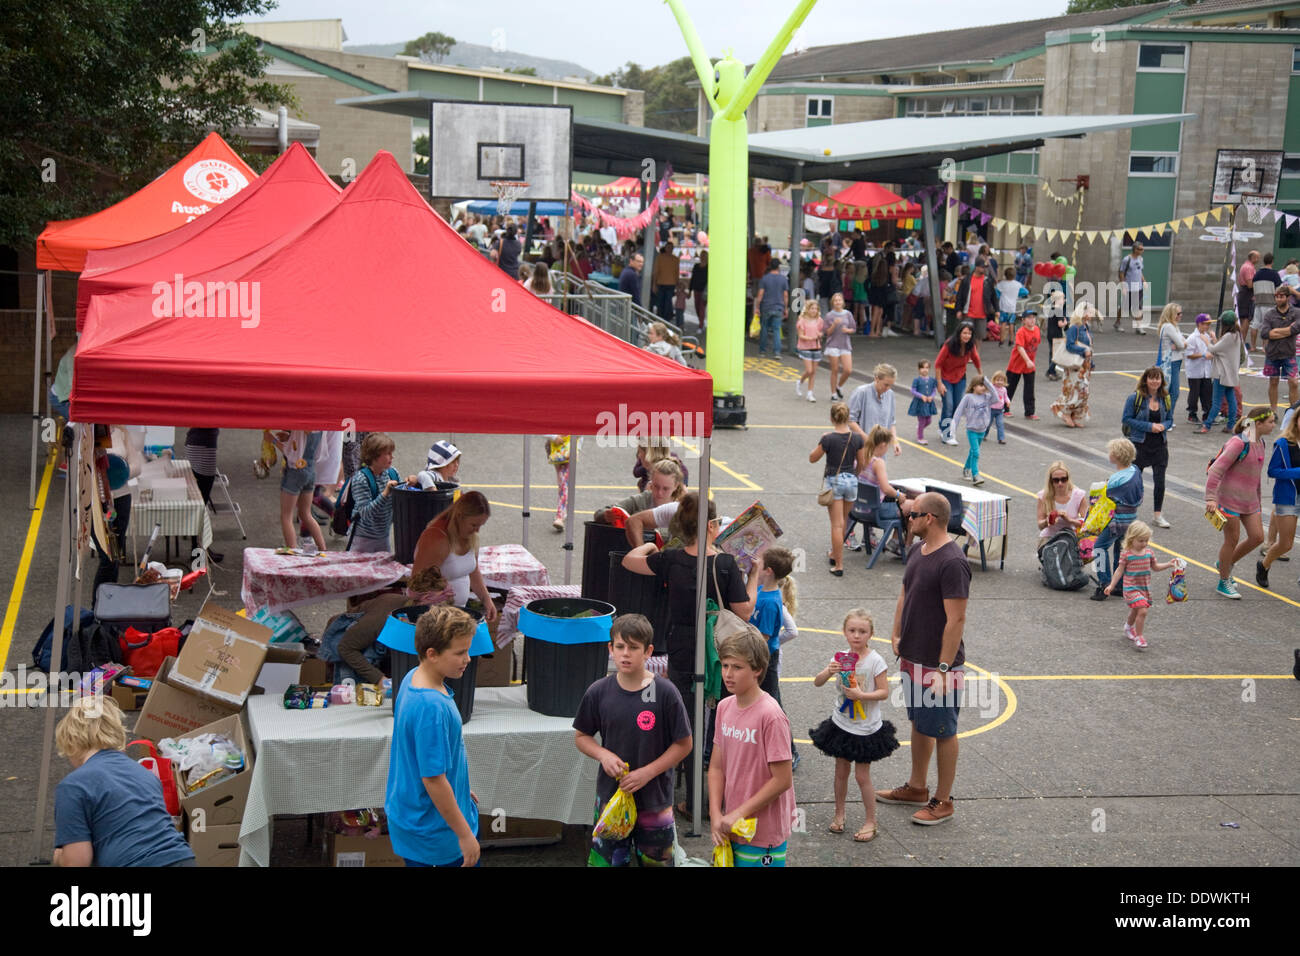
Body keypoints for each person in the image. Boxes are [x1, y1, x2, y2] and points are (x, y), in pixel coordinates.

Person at [622, 492, 753, 813]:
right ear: (711, 526)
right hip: (721, 651)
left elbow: (628, 560)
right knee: (723, 721)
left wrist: (652, 545)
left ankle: (693, 799)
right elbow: (745, 612)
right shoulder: (724, 563)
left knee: (688, 723)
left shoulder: (671, 559)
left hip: (681, 645)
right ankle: (721, 797)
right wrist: (755, 576)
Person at [877, 491, 970, 826]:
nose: (908, 518)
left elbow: (956, 619)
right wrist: (897, 631)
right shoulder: (918, 548)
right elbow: (906, 591)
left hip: (938, 665)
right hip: (913, 656)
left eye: (913, 514)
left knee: (944, 730)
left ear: (929, 518)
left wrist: (944, 668)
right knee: (919, 722)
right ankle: (917, 787)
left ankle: (943, 800)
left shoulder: (953, 562)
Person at [573, 613, 692, 867]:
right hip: (611, 799)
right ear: (610, 649)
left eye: (634, 647)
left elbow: (684, 744)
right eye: (620, 647)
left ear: (648, 651)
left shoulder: (665, 693)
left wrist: (647, 773)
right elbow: (582, 736)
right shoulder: (598, 692)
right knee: (608, 862)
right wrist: (603, 754)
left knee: (656, 862)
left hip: (654, 801)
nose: (626, 653)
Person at [385, 605, 480, 867]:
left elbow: (427, 760)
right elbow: (434, 780)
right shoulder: (431, 707)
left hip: (420, 821)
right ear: (432, 654)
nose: (468, 658)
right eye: (460, 652)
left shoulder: (412, 677)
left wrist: (458, 785)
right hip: (437, 836)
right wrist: (464, 835)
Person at [53, 696, 195, 867]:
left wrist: (60, 857)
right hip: (182, 858)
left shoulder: (74, 786)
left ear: (70, 741)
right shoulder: (144, 774)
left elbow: (77, 861)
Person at [809, 608, 898, 842]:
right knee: (841, 771)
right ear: (844, 632)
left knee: (862, 776)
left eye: (862, 631)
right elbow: (817, 682)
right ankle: (839, 814)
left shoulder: (875, 660)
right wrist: (829, 671)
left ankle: (871, 820)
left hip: (866, 727)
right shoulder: (839, 657)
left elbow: (884, 692)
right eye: (852, 631)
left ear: (871, 634)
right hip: (842, 724)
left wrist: (861, 695)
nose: (857, 635)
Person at [709, 628, 796, 867]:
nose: (728, 674)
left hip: (762, 831)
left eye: (737, 667)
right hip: (730, 825)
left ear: (757, 669)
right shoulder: (725, 707)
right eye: (725, 665)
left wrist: (739, 813)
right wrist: (716, 814)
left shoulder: (771, 716)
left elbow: (782, 779)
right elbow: (716, 767)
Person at [1206, 406, 1276, 599]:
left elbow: (1255, 478)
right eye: (1270, 422)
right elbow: (1215, 471)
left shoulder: (1260, 442)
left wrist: (1258, 501)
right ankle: (1224, 581)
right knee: (1232, 539)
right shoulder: (1238, 443)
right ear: (1258, 424)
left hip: (1250, 501)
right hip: (1228, 500)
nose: (1274, 425)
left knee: (1257, 537)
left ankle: (1224, 564)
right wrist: (1211, 498)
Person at [746, 547, 800, 769]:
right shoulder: (761, 588)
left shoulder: (770, 602)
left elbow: (764, 637)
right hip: (759, 654)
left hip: (765, 657)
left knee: (773, 704)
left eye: (759, 561)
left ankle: (790, 751)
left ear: (768, 570)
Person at [411, 492, 499, 624]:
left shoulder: (470, 537)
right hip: (435, 618)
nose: (477, 530)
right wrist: (441, 598)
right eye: (474, 525)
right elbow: (417, 584)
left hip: (456, 614)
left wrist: (486, 600)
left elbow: (473, 571)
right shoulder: (437, 539)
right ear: (459, 517)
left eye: (481, 525)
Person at [811, 403, 868, 576]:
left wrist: (821, 440)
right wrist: (854, 475)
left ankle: (839, 564)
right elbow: (863, 463)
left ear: (832, 418)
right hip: (851, 481)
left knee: (836, 525)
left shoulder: (828, 439)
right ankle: (835, 553)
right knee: (843, 521)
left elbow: (812, 458)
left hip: (834, 480)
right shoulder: (857, 438)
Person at [1102, 521, 1177, 650]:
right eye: (1141, 540)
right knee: (1142, 610)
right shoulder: (1127, 554)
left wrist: (1169, 564)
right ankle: (1139, 636)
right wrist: (1111, 585)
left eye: (1146, 540)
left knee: (1136, 610)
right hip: (1130, 588)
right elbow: (1119, 570)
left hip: (1144, 588)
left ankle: (1128, 626)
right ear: (1132, 539)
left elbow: (1156, 567)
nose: (1144, 543)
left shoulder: (1149, 553)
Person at [1090, 438, 1144, 602]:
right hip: (1131, 518)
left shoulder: (1116, 479)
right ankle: (1119, 585)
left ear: (1117, 456)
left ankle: (1104, 583)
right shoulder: (1135, 471)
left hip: (1116, 520)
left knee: (1099, 548)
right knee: (1120, 551)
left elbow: (1105, 500)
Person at [1122, 367, 1174, 529]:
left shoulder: (1165, 398)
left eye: (1157, 378)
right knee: (1135, 481)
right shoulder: (1135, 398)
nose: (1155, 381)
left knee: (1160, 481)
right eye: (1151, 378)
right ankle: (1130, 512)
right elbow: (1126, 419)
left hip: (1160, 445)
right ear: (1145, 380)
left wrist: (1163, 426)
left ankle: (1157, 515)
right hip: (1140, 444)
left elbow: (1170, 420)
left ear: (1161, 381)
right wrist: (1149, 426)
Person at [1258, 410, 1300, 588]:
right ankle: (1264, 565)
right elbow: (1272, 471)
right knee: (1285, 544)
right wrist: (1297, 472)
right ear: (1296, 420)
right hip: (1288, 497)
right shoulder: (1283, 443)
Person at [346, 433, 409, 552]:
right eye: (388, 454)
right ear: (374, 456)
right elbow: (365, 514)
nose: (392, 457)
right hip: (362, 539)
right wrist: (385, 494)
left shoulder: (392, 473)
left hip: (383, 538)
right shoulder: (361, 479)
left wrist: (409, 486)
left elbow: (401, 503)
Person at [594, 457, 684, 525]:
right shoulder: (640, 501)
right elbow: (599, 513)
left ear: (676, 486)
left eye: (665, 489)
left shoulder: (681, 510)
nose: (660, 493)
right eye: (656, 486)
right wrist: (606, 516)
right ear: (651, 481)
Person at [276, 430, 327, 551]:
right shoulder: (321, 427)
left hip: (295, 471)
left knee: (286, 516)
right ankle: (323, 549)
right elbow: (318, 452)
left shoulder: (301, 426)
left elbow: (292, 454)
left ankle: (292, 550)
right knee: (305, 514)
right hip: (310, 469)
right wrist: (289, 437)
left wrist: (272, 440)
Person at [935, 323, 982, 445]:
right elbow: (938, 364)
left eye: (969, 333)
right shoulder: (949, 344)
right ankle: (946, 435)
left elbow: (976, 359)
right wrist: (939, 383)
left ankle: (943, 427)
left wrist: (981, 376)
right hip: (945, 378)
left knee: (957, 406)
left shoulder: (970, 346)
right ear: (959, 333)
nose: (967, 336)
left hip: (960, 377)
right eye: (965, 333)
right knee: (949, 404)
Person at [1050, 302, 1094, 428]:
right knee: (1073, 390)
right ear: (1083, 313)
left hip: (1085, 365)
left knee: (1083, 391)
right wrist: (1082, 351)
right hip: (1075, 365)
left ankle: (1074, 415)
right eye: (1090, 312)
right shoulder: (1075, 327)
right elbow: (1069, 345)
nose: (1092, 314)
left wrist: (1092, 362)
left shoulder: (1086, 327)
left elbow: (1089, 346)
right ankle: (1065, 413)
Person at [1200, 311, 1244, 434]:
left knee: (1216, 401)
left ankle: (1207, 425)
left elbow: (1214, 349)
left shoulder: (1228, 336)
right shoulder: (1236, 335)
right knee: (1231, 399)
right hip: (1230, 374)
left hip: (1222, 373)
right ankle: (1230, 425)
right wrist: (1214, 338)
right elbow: (1222, 348)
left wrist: (1206, 340)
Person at [950, 374, 996, 486]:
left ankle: (966, 469)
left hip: (982, 430)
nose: (983, 387)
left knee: (973, 451)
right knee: (976, 452)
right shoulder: (968, 397)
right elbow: (958, 411)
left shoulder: (987, 397)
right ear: (974, 386)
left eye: (984, 385)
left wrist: (987, 382)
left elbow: (996, 396)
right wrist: (953, 428)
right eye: (981, 385)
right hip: (972, 430)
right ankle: (976, 475)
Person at [847, 362, 901, 455]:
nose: (888, 388)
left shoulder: (890, 394)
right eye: (886, 384)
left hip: (880, 449)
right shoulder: (861, 392)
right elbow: (850, 420)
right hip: (861, 448)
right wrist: (868, 439)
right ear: (876, 378)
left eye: (891, 385)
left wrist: (895, 442)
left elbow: (891, 422)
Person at [1260, 286, 1300, 411]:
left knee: (1293, 382)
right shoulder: (1269, 314)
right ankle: (1273, 411)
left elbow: (1296, 329)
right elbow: (1265, 333)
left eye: (1281, 296)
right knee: (1273, 382)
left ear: (1288, 298)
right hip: (1273, 354)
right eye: (1276, 296)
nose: (1278, 299)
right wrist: (1288, 330)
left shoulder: (1297, 312)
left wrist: (1276, 331)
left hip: (1289, 353)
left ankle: (1293, 412)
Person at [1036, 461, 1087, 551]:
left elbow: (1086, 524)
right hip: (1049, 537)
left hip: (1071, 537)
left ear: (1068, 479)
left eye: (1063, 479)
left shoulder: (1078, 495)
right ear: (1051, 481)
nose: (1060, 483)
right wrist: (1047, 521)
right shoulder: (1044, 496)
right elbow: (1040, 525)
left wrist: (1069, 520)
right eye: (1056, 480)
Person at [1005, 308, 1041, 419]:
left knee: (1030, 389)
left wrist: (1030, 361)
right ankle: (1003, 408)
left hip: (1029, 365)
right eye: (1029, 318)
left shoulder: (1037, 330)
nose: (1032, 320)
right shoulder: (1021, 332)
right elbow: (1020, 347)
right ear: (1023, 320)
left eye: (1033, 318)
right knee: (1009, 387)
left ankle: (1029, 412)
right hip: (1016, 363)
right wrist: (1027, 360)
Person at [822, 292, 855, 402]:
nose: (838, 302)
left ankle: (839, 386)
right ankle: (833, 393)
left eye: (839, 300)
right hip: (833, 345)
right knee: (835, 370)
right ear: (833, 303)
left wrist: (848, 330)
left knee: (848, 370)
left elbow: (853, 328)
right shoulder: (829, 315)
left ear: (843, 302)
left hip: (845, 344)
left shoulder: (848, 314)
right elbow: (827, 332)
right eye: (835, 300)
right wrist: (834, 324)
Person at [1184, 313, 1216, 425]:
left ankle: (1207, 414)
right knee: (1194, 393)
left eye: (1208, 324)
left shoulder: (1207, 337)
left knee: (1207, 393)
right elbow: (1188, 354)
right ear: (1199, 324)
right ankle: (1192, 413)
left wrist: (1214, 339)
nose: (1208, 327)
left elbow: (1214, 349)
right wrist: (1203, 355)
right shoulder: (1192, 338)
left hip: (1206, 371)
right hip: (1195, 371)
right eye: (1206, 324)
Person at [956, 257, 997, 342]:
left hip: (982, 313)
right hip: (968, 313)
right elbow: (960, 295)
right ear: (976, 267)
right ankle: (967, 354)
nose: (984, 269)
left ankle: (976, 355)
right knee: (966, 336)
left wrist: (997, 310)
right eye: (982, 267)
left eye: (985, 267)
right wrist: (959, 309)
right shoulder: (967, 280)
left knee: (979, 338)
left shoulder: (987, 281)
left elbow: (993, 296)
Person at [1249, 252, 1283, 352]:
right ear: (1272, 261)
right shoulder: (1274, 274)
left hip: (1258, 302)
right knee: (1268, 325)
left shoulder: (1257, 274)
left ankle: (1253, 346)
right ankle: (1265, 347)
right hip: (1270, 303)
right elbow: (1279, 289)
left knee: (1255, 324)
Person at [754, 260, 789, 358]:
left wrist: (757, 307)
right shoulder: (783, 279)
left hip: (766, 307)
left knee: (764, 328)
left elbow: (760, 294)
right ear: (779, 267)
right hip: (778, 307)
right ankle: (777, 352)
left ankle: (762, 351)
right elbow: (785, 295)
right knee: (777, 330)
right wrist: (786, 308)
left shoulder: (764, 278)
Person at [1156, 302, 1187, 409]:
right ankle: (1167, 416)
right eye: (1178, 313)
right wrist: (1181, 344)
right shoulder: (1169, 327)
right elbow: (1182, 344)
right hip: (1171, 362)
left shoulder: (1174, 326)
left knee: (1169, 391)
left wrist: (1181, 344)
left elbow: (1183, 343)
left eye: (1181, 313)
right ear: (1171, 314)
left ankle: (1166, 416)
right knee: (1173, 392)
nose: (1180, 315)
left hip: (1175, 361)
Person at [793, 299, 824, 403]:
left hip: (816, 346)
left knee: (813, 372)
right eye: (812, 308)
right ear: (807, 309)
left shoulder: (819, 320)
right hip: (805, 347)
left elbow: (820, 332)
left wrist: (820, 335)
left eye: (815, 309)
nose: (814, 311)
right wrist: (810, 338)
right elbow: (800, 335)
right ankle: (800, 381)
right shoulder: (802, 321)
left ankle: (810, 393)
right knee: (809, 370)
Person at [908, 359, 940, 445]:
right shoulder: (917, 380)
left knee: (929, 421)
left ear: (929, 369)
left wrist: (932, 397)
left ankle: (919, 428)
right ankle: (920, 437)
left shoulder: (932, 380)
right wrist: (921, 396)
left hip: (929, 403)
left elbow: (934, 390)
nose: (925, 369)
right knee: (922, 421)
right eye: (922, 368)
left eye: (927, 367)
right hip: (920, 404)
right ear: (919, 369)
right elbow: (913, 391)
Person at [1117, 242, 1146, 333]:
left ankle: (1138, 327)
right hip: (1129, 287)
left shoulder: (1141, 259)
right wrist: (1123, 286)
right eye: (1140, 249)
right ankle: (1118, 323)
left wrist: (1144, 281)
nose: (1142, 251)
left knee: (1138, 307)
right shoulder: (1127, 259)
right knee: (1125, 307)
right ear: (1135, 249)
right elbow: (1121, 273)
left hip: (1139, 288)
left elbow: (1139, 272)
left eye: (1142, 249)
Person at [994, 267, 1023, 347]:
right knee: (1011, 323)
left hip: (1003, 306)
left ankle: (1001, 340)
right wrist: (1017, 294)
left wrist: (1000, 296)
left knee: (1003, 323)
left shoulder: (1001, 284)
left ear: (1005, 275)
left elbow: (996, 291)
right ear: (1014, 275)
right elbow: (1025, 291)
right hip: (1012, 307)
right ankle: (1011, 340)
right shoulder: (1017, 284)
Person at [653, 241, 679, 321]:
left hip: (670, 284)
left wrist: (677, 285)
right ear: (666, 248)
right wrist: (654, 284)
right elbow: (656, 271)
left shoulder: (675, 259)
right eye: (668, 247)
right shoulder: (660, 258)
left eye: (671, 248)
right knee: (661, 303)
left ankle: (665, 320)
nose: (669, 249)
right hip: (661, 283)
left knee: (667, 303)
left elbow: (676, 273)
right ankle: (662, 319)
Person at [1236, 249, 1259, 338]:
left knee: (1243, 318)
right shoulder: (1249, 267)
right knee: (1246, 318)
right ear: (1253, 258)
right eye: (1257, 258)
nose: (1258, 260)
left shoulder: (1245, 265)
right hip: (1247, 293)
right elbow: (1250, 285)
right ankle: (1242, 341)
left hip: (1244, 292)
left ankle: (1241, 341)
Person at [988, 370, 1010, 444]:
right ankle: (983, 435)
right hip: (991, 409)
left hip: (1000, 410)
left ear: (1004, 382)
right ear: (994, 380)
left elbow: (1006, 397)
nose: (999, 382)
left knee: (1000, 424)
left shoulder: (1004, 389)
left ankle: (1001, 438)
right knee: (988, 424)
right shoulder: (992, 388)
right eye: (997, 380)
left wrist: (1008, 401)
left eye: (1001, 380)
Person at [689, 250, 708, 333]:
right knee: (697, 307)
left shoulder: (709, 267)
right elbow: (693, 278)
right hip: (696, 289)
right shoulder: (696, 266)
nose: (703, 257)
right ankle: (701, 321)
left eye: (705, 256)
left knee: (702, 308)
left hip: (705, 290)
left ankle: (700, 325)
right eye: (702, 255)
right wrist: (690, 290)